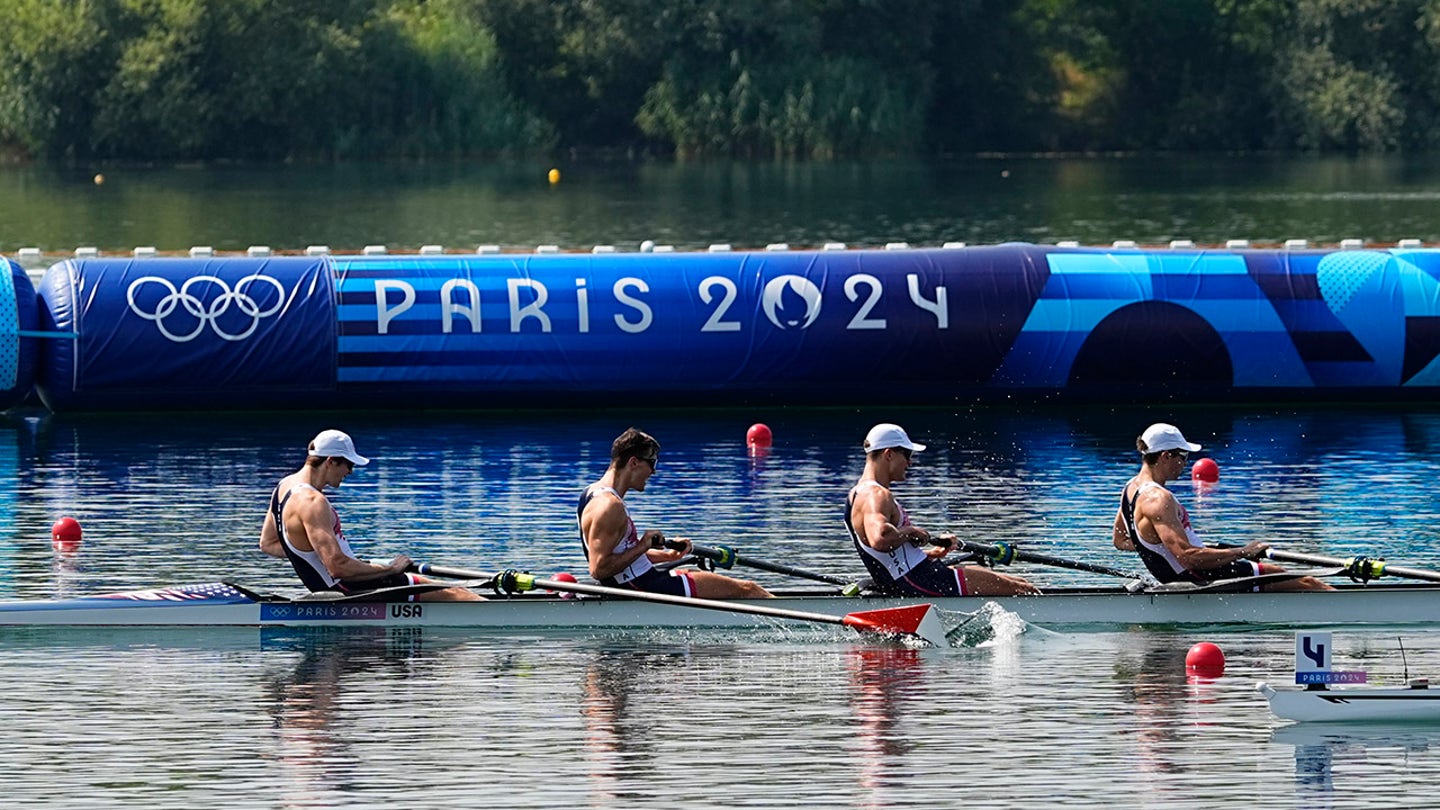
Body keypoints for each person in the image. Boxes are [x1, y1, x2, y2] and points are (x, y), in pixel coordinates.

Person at [260, 429, 481, 601]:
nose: (350, 472)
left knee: (438, 589)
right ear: (330, 461)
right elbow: (337, 567)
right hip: (349, 587)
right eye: (348, 464)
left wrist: (314, 556)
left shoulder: (283, 486)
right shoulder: (312, 502)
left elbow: (268, 544)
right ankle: (509, 619)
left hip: (337, 581)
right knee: (456, 593)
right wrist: (389, 569)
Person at [1113, 423, 1333, 591]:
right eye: (1183, 456)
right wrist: (1242, 552)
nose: (1185, 463)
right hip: (1198, 575)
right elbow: (1188, 557)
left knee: (1282, 576)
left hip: (1184, 572)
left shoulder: (1130, 489)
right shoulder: (1158, 499)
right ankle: (1359, 614)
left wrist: (1161, 546)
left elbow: (1121, 540)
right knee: (1307, 582)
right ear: (1165, 455)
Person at [845, 423, 1038, 597]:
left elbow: (888, 559)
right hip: (920, 581)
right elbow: (880, 539)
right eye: (907, 455)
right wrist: (913, 531)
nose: (910, 462)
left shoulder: (856, 494)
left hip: (916, 577)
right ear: (889, 454)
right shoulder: (876, 494)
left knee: (1013, 581)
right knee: (1022, 589)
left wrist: (931, 553)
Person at [578, 427, 771, 599]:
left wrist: (668, 556)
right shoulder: (610, 507)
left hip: (641, 580)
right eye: (652, 463)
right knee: (749, 589)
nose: (653, 472)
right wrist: (643, 545)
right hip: (644, 586)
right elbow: (599, 569)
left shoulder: (591, 493)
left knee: (701, 576)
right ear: (634, 462)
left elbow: (619, 554)